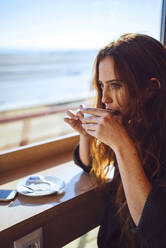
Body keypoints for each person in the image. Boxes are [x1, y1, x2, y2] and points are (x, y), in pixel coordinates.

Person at [64, 33, 166, 248]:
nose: (104, 98)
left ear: (151, 88)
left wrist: (121, 144)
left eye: (116, 85)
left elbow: (155, 230)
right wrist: (85, 134)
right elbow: (88, 163)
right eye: (102, 85)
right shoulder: (133, 123)